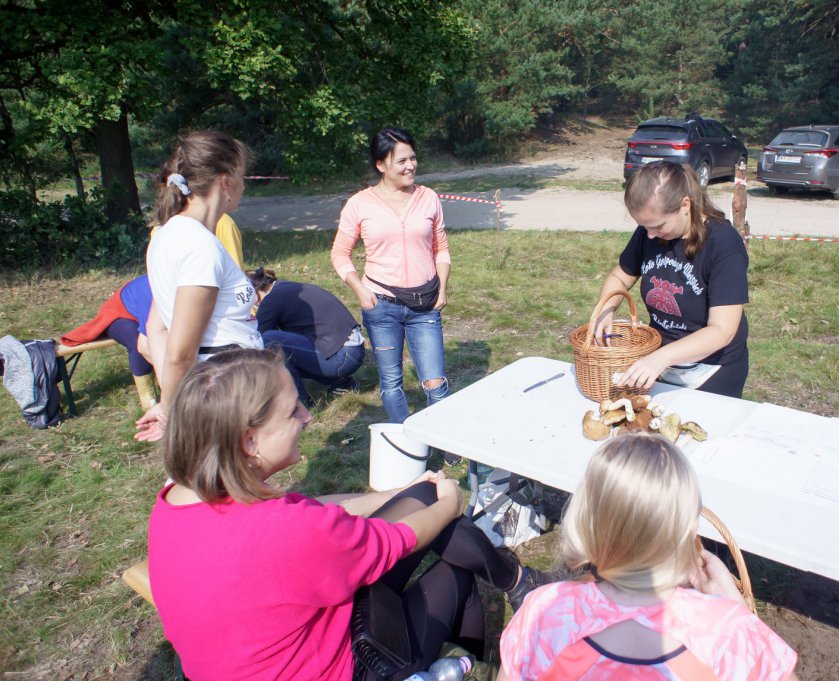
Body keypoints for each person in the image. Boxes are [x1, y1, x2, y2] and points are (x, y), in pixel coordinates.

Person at [147, 349, 546, 680]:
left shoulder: (177, 500)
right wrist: (448, 503)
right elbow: (405, 539)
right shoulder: (285, 532)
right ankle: (489, 635)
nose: (307, 416)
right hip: (346, 669)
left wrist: (400, 492)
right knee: (455, 572)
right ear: (250, 441)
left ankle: (518, 582)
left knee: (422, 495)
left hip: (260, 651)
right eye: (293, 411)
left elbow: (318, 508)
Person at [497, 433, 799, 681]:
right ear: (688, 532)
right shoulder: (729, 631)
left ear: (587, 523)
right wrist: (734, 605)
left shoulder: (544, 612)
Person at [136, 131, 262, 442]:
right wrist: (173, 412)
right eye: (242, 177)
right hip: (226, 397)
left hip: (218, 394)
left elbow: (157, 327)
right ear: (225, 182)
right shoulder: (199, 248)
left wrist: (171, 401)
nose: (244, 186)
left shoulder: (167, 234)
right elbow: (180, 351)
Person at [594, 161, 750, 398]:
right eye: (643, 226)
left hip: (711, 369)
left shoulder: (723, 244)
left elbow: (721, 330)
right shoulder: (650, 233)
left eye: (658, 225)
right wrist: (605, 310)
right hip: (659, 361)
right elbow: (620, 276)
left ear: (685, 205)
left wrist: (661, 358)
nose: (650, 235)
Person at [331, 127, 450, 424]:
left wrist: (443, 289)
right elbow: (339, 254)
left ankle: (444, 440)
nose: (410, 166)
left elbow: (441, 248)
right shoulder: (359, 204)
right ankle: (407, 448)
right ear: (381, 165)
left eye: (413, 158)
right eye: (401, 161)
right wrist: (360, 291)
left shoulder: (429, 198)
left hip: (426, 304)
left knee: (435, 383)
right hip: (381, 305)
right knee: (391, 383)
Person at [248, 267, 366, 406]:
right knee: (280, 347)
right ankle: (340, 382)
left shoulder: (271, 300)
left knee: (270, 340)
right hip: (350, 351)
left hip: (342, 355)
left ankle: (300, 402)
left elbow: (257, 341)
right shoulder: (285, 288)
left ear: (254, 293)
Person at [60, 275, 155, 379]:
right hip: (118, 315)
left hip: (142, 313)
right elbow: (144, 347)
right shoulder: (151, 293)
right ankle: (148, 393)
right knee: (136, 340)